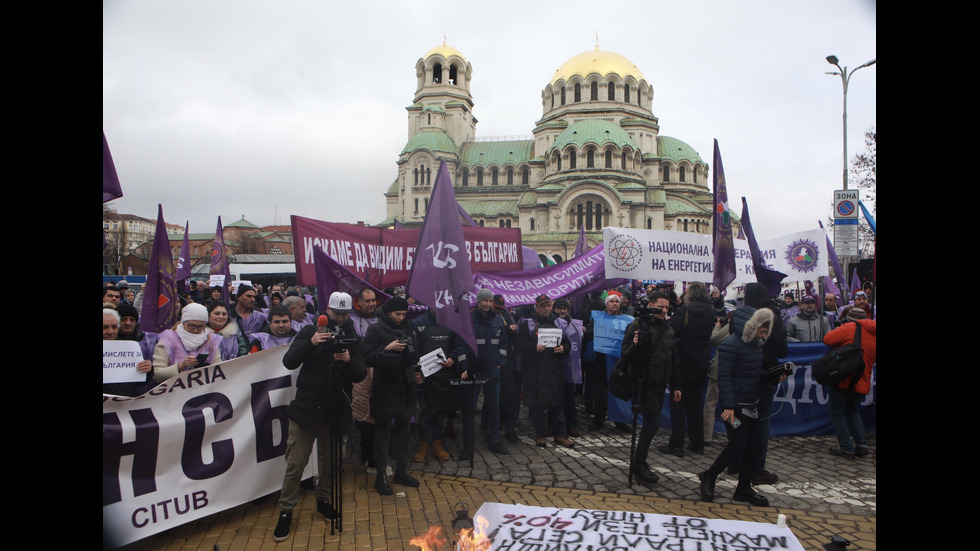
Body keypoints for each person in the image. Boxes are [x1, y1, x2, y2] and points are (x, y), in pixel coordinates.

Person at [273, 292, 366, 542]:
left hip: (337, 408)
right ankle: (286, 510)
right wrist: (311, 343)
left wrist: (348, 360)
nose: (340, 318)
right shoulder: (309, 331)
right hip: (307, 407)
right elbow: (289, 362)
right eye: (336, 313)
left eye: (345, 314)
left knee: (333, 463)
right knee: (296, 462)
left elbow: (359, 374)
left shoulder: (352, 336)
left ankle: (323, 500)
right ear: (327, 309)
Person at [699, 307, 774, 507]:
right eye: (763, 330)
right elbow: (724, 378)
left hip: (752, 405)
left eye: (767, 330)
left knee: (754, 446)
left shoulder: (756, 345)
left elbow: (754, 374)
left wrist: (772, 377)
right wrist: (729, 406)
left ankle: (744, 488)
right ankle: (709, 475)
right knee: (737, 446)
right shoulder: (730, 345)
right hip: (733, 409)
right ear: (753, 326)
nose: (765, 334)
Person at [362, 296, 421, 495]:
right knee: (383, 435)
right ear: (388, 313)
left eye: (404, 314)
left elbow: (414, 357)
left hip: (406, 388)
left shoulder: (408, 328)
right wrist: (387, 349)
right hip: (385, 388)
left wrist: (412, 355)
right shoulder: (375, 330)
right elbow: (367, 358)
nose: (400, 317)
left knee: (404, 434)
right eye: (397, 314)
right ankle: (381, 476)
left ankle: (401, 470)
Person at [621, 292, 681, 483]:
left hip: (660, 384)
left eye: (666, 307)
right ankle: (638, 464)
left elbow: (674, 359)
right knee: (652, 423)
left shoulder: (669, 330)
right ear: (651, 305)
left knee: (651, 424)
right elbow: (626, 354)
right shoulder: (637, 326)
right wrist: (636, 344)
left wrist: (676, 385)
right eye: (660, 307)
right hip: (643, 382)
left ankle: (640, 461)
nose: (664, 311)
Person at [661, 282, 715, 456]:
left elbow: (673, 329)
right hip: (701, 361)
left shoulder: (685, 309)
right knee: (696, 402)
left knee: (678, 402)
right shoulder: (709, 310)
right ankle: (697, 442)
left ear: (690, 293)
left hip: (684, 360)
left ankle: (676, 444)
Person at [516, 295, 573, 448]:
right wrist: (532, 348)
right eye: (543, 306)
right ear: (537, 307)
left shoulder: (559, 323)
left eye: (548, 306)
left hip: (554, 370)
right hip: (534, 371)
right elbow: (518, 345)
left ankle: (560, 434)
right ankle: (540, 434)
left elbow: (567, 343)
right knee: (536, 405)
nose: (547, 309)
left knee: (557, 403)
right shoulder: (527, 324)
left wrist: (564, 348)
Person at [411, 308, 464, 462]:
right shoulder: (417, 323)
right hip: (425, 375)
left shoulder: (452, 323)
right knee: (425, 410)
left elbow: (458, 345)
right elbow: (414, 348)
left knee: (441, 411)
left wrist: (453, 358)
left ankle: (437, 442)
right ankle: (423, 443)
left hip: (445, 374)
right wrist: (417, 369)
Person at [463, 289, 510, 458]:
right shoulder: (468, 320)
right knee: (470, 408)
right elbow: (462, 345)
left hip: (492, 369)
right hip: (474, 371)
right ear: (478, 301)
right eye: (485, 301)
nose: (488, 304)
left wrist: (500, 364)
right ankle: (467, 444)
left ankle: (494, 440)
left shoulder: (498, 320)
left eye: (490, 301)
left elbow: (504, 344)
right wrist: (465, 367)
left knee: (493, 408)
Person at [823, 308, 876, 459]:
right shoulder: (873, 331)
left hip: (844, 378)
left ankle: (846, 447)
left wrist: (842, 327)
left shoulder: (850, 327)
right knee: (853, 410)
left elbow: (828, 339)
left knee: (837, 413)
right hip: (862, 379)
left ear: (849, 318)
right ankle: (861, 444)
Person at [151, 303, 222, 382]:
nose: (195, 330)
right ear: (183, 322)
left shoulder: (210, 340)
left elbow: (219, 369)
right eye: (191, 325)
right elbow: (157, 375)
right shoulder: (168, 338)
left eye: (200, 326)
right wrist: (181, 366)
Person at [103, 309, 153, 396]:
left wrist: (148, 370)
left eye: (114, 327)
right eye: (104, 327)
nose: (110, 332)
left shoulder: (127, 348)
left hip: (124, 405)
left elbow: (136, 382)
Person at [554, 298, 584, 438]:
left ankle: (571, 424)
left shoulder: (574, 324)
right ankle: (553, 425)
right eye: (559, 308)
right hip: (554, 366)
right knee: (554, 397)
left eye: (564, 308)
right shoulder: (550, 323)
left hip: (570, 366)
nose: (562, 311)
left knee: (569, 398)